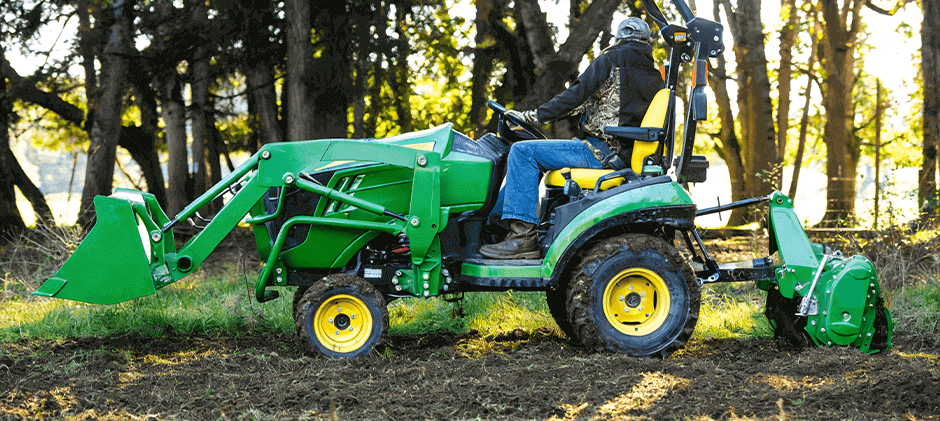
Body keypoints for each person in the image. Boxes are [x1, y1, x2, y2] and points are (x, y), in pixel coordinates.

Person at [479, 17, 665, 260]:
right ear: (647, 42)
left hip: (600, 151)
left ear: (619, 39)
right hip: (620, 153)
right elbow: (586, 103)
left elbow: (575, 96)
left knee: (523, 152)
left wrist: (533, 117)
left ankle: (521, 237)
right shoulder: (654, 76)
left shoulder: (611, 59)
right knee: (533, 155)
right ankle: (497, 224)